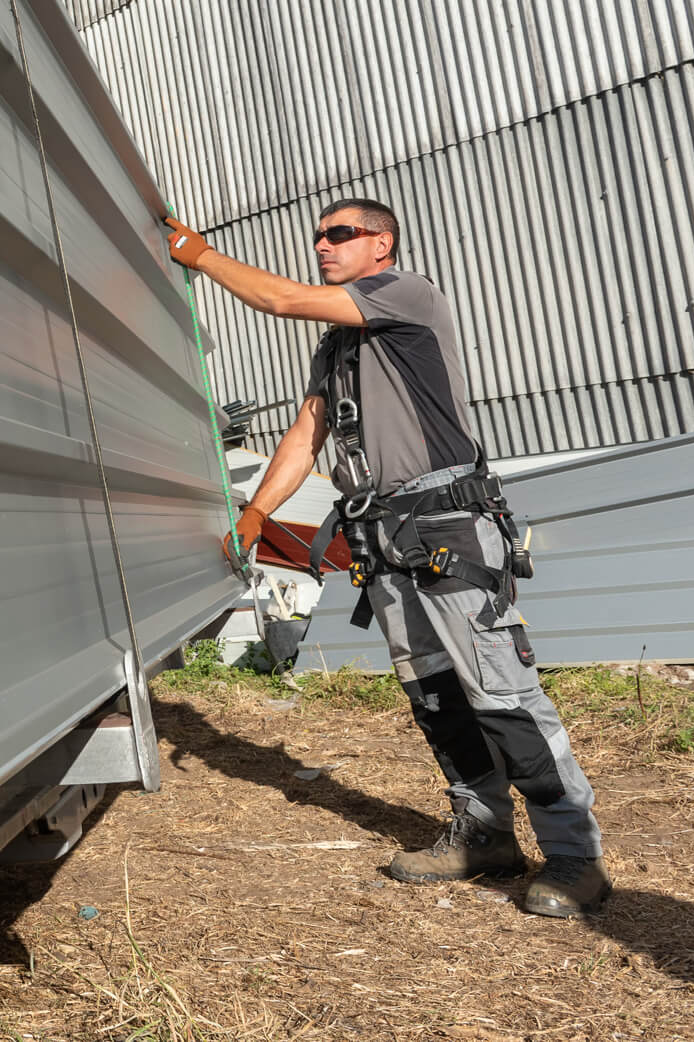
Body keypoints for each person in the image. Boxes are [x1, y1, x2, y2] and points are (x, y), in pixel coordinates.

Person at [164, 199, 610, 917]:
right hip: (386, 539)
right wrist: (253, 514)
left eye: (339, 234)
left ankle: (574, 855)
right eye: (317, 236)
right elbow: (304, 438)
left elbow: (279, 300)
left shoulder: (408, 296)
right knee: (435, 696)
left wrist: (201, 256)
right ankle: (485, 832)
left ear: (382, 244)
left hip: (446, 528)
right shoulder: (337, 349)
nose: (322, 245)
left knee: (503, 696)